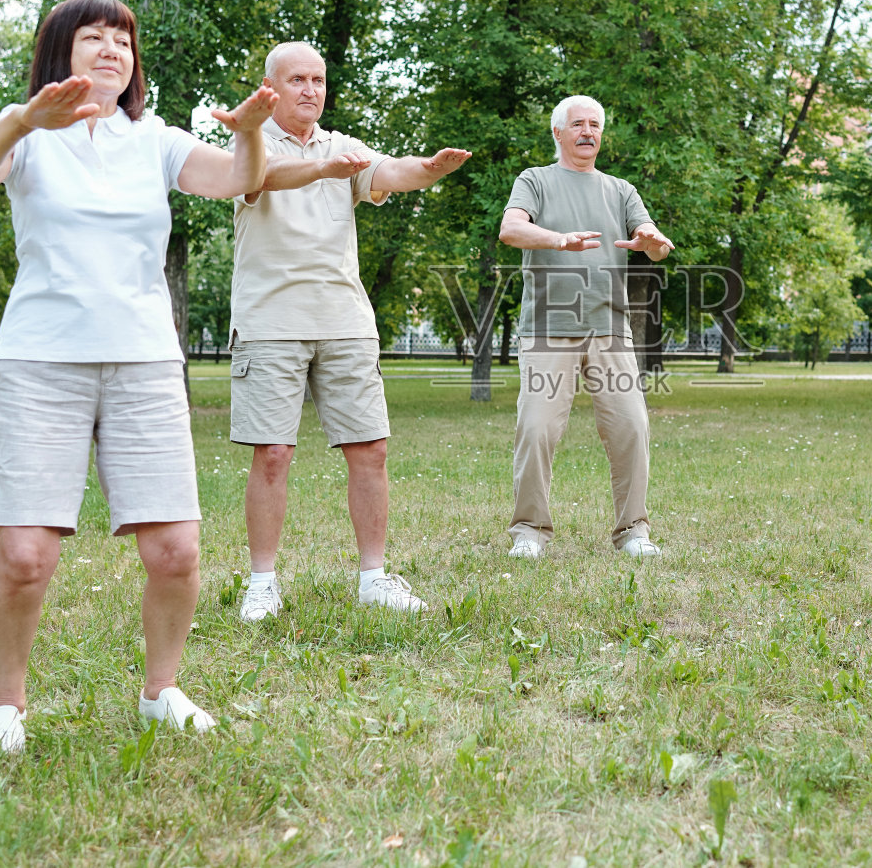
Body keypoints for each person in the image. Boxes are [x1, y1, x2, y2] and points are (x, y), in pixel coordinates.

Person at [0, 0, 276, 752]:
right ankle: (8, 705)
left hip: (144, 361)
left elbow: (239, 179)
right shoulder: (28, 132)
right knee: (26, 554)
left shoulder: (154, 139)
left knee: (177, 550)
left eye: (123, 41)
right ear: (60, 52)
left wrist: (255, 135)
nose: (111, 50)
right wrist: (23, 118)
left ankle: (160, 689)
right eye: (94, 37)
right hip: (42, 360)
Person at [229, 42, 472, 621]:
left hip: (345, 322)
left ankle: (374, 577)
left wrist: (429, 170)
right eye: (297, 80)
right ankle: (262, 582)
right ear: (272, 87)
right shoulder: (248, 143)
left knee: (371, 450)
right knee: (272, 454)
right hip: (270, 323)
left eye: (319, 79)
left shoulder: (345, 148)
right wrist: (322, 169)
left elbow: (388, 170)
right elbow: (262, 178)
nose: (311, 89)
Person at [498, 95, 674, 559]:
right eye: (577, 124)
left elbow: (653, 245)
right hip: (548, 328)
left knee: (632, 428)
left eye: (595, 124)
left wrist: (655, 243)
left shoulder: (620, 190)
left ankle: (633, 531)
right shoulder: (534, 181)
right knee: (536, 429)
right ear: (558, 133)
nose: (587, 132)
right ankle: (529, 532)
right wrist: (559, 239)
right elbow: (511, 229)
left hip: (610, 328)